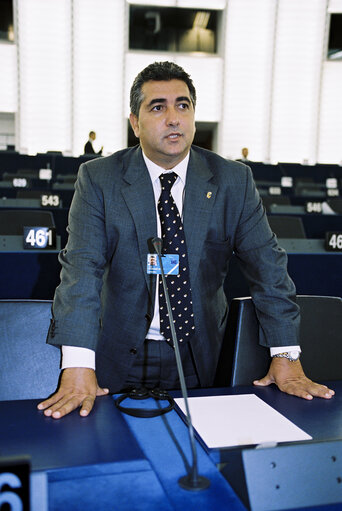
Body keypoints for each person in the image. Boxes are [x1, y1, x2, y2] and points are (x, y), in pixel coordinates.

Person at [38, 61, 334, 420]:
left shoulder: (232, 181)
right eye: (158, 107)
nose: (174, 118)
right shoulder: (99, 179)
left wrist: (286, 354)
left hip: (203, 354)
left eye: (183, 105)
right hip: (117, 352)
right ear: (135, 122)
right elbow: (81, 270)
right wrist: (79, 363)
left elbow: (268, 266)